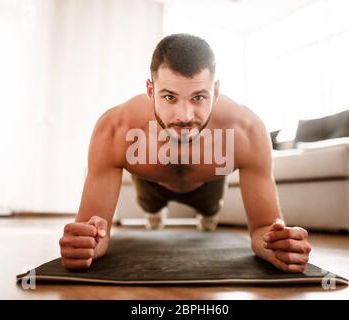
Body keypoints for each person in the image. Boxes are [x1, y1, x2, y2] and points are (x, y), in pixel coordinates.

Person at [59, 33, 311, 273]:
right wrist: (87, 243)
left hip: (207, 188)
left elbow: (263, 229)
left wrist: (276, 245)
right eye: (169, 97)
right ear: (150, 91)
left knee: (210, 211)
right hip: (151, 185)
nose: (185, 116)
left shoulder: (247, 130)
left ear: (216, 92)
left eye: (199, 97)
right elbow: (93, 232)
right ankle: (155, 215)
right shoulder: (115, 128)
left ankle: (208, 216)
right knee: (150, 206)